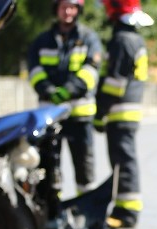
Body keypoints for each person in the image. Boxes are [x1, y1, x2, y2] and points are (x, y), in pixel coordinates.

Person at [28, 0, 102, 196]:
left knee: (84, 167)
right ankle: (53, 211)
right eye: (63, 7)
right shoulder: (42, 40)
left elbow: (91, 71)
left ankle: (85, 208)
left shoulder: (89, 38)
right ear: (56, 9)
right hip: (50, 116)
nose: (67, 11)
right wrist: (50, 91)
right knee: (49, 166)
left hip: (79, 115)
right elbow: (34, 71)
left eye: (72, 7)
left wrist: (68, 91)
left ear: (78, 9)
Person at [94, 0, 153, 229]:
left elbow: (114, 83)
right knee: (125, 160)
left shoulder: (121, 40)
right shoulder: (135, 38)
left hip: (120, 111)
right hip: (130, 110)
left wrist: (100, 113)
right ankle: (123, 208)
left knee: (122, 162)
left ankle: (126, 213)